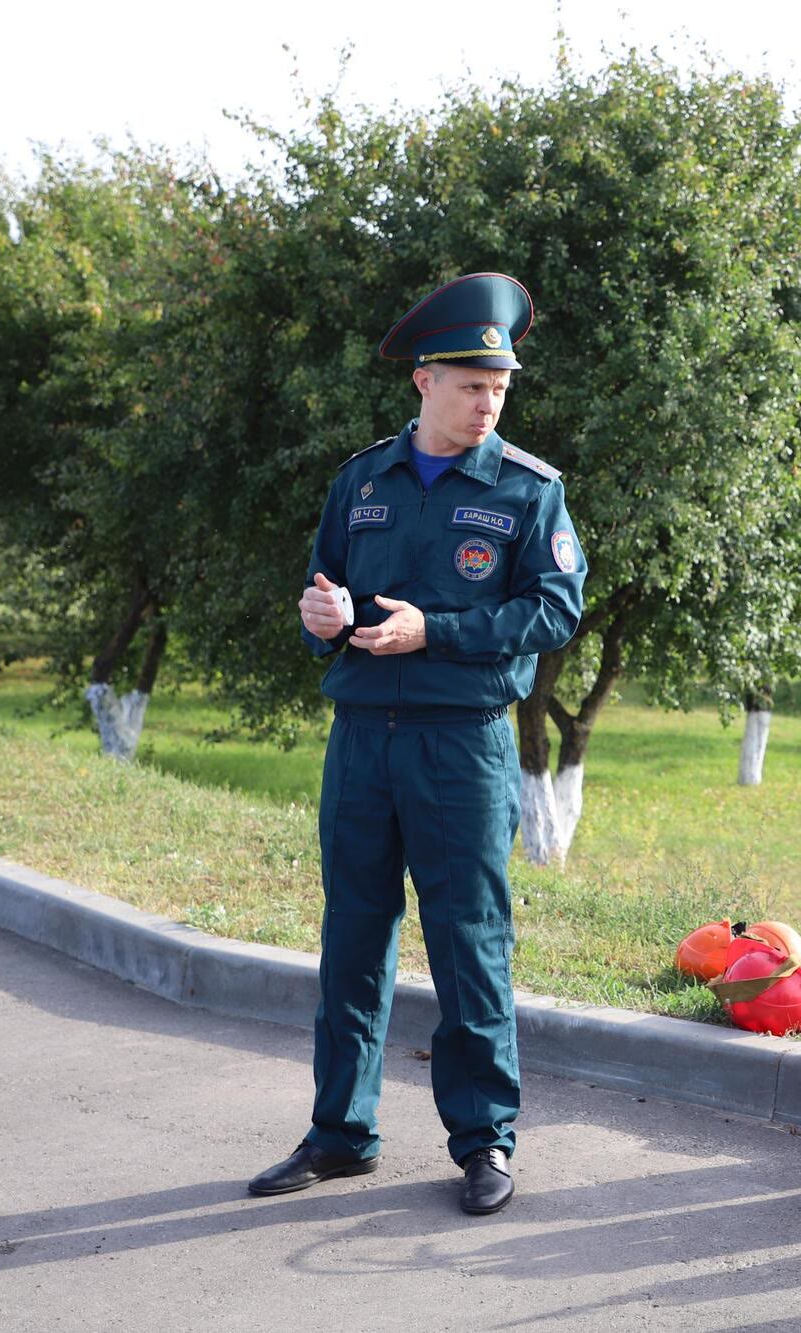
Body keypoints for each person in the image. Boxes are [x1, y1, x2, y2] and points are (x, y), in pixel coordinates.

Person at [248, 273, 585, 1215]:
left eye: (501, 387)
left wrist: (433, 630)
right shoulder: (361, 479)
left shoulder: (528, 490)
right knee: (352, 936)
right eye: (473, 383)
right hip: (360, 740)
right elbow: (327, 592)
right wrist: (321, 617)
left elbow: (555, 607)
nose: (489, 402)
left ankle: (484, 1141)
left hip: (459, 745)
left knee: (468, 941)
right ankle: (341, 1132)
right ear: (425, 380)